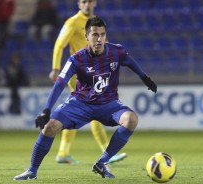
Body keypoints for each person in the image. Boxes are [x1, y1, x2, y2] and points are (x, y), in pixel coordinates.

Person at [14, 16, 157, 180]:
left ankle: (102, 162)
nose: (99, 39)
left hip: (108, 104)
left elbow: (129, 61)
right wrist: (46, 109)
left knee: (131, 119)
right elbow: (60, 83)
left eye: (102, 34)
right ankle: (32, 171)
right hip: (81, 103)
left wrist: (144, 77)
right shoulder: (76, 58)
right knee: (49, 127)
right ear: (86, 37)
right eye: (95, 35)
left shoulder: (116, 51)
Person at [49, 0, 126, 165]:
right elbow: (59, 44)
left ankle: (63, 152)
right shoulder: (72, 22)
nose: (87, 5)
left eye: (90, 1)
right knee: (96, 109)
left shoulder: (96, 24)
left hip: (95, 73)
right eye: (84, 1)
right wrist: (56, 68)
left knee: (77, 111)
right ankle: (107, 151)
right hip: (80, 74)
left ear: (95, 3)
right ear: (79, 4)